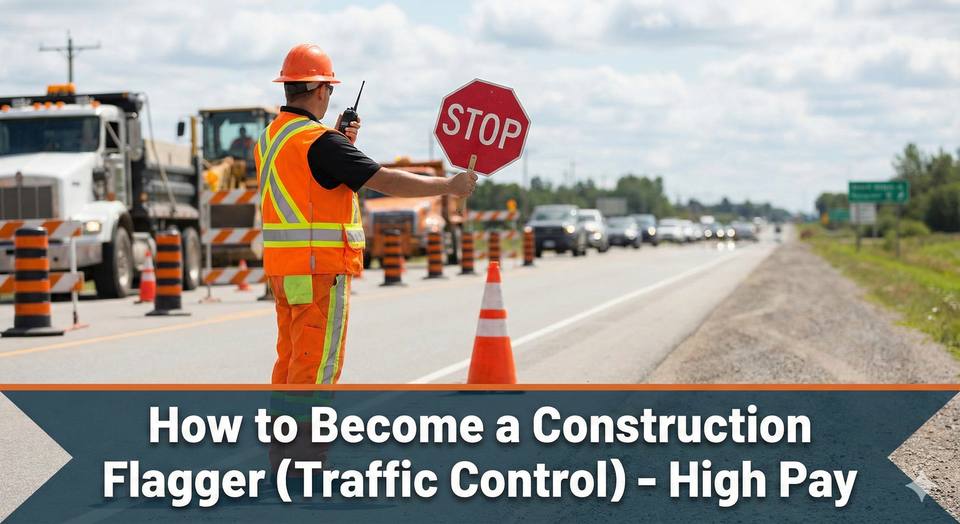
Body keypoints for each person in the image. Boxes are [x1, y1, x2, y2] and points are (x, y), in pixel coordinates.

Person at [256, 43, 477, 480]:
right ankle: (305, 469)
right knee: (316, 369)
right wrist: (448, 186)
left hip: (285, 272)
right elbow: (385, 179)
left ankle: (282, 461)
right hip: (320, 271)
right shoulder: (319, 142)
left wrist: (338, 140)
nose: (330, 97)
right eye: (329, 89)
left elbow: (311, 188)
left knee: (289, 364)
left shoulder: (273, 137)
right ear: (319, 90)